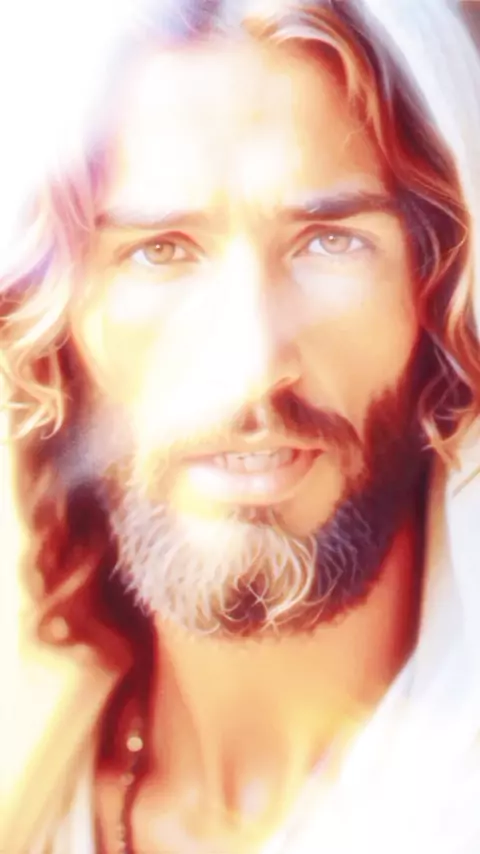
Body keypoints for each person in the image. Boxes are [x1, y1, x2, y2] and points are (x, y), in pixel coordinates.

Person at [2, 0, 480, 851]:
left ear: (439, 287)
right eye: (160, 250)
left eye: (329, 241)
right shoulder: (31, 796)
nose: (252, 365)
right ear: (53, 320)